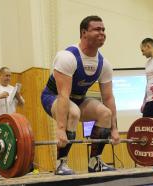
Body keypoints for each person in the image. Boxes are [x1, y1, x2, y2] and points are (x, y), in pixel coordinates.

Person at [41, 15, 120, 175]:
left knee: (106, 113)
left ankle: (94, 162)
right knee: (73, 112)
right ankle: (60, 164)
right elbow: (64, 94)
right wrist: (61, 129)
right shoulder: (68, 57)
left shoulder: (104, 64)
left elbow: (108, 98)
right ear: (84, 33)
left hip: (78, 100)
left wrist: (114, 129)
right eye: (97, 29)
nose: (102, 33)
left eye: (103, 29)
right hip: (53, 97)